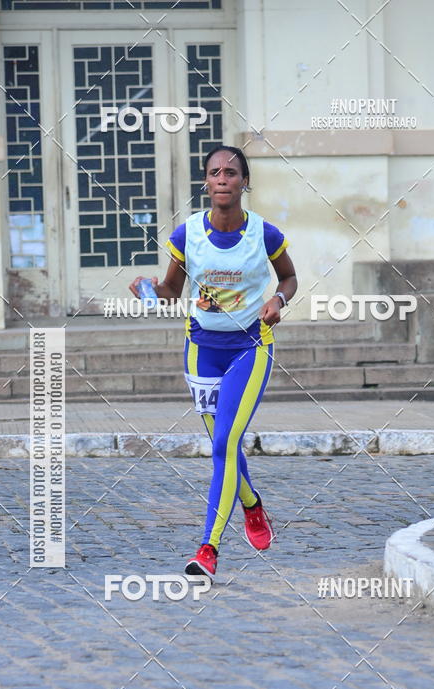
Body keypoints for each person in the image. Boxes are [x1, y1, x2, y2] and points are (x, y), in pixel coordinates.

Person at [129, 145, 297, 583]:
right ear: (206, 182)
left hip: (250, 347)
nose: (222, 178)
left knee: (223, 444)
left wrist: (278, 300)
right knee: (224, 445)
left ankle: (208, 548)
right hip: (201, 350)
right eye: (214, 172)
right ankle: (253, 505)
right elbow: (171, 288)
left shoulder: (266, 234)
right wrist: (149, 288)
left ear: (244, 182)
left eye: (231, 172)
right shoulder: (188, 235)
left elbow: (289, 277)